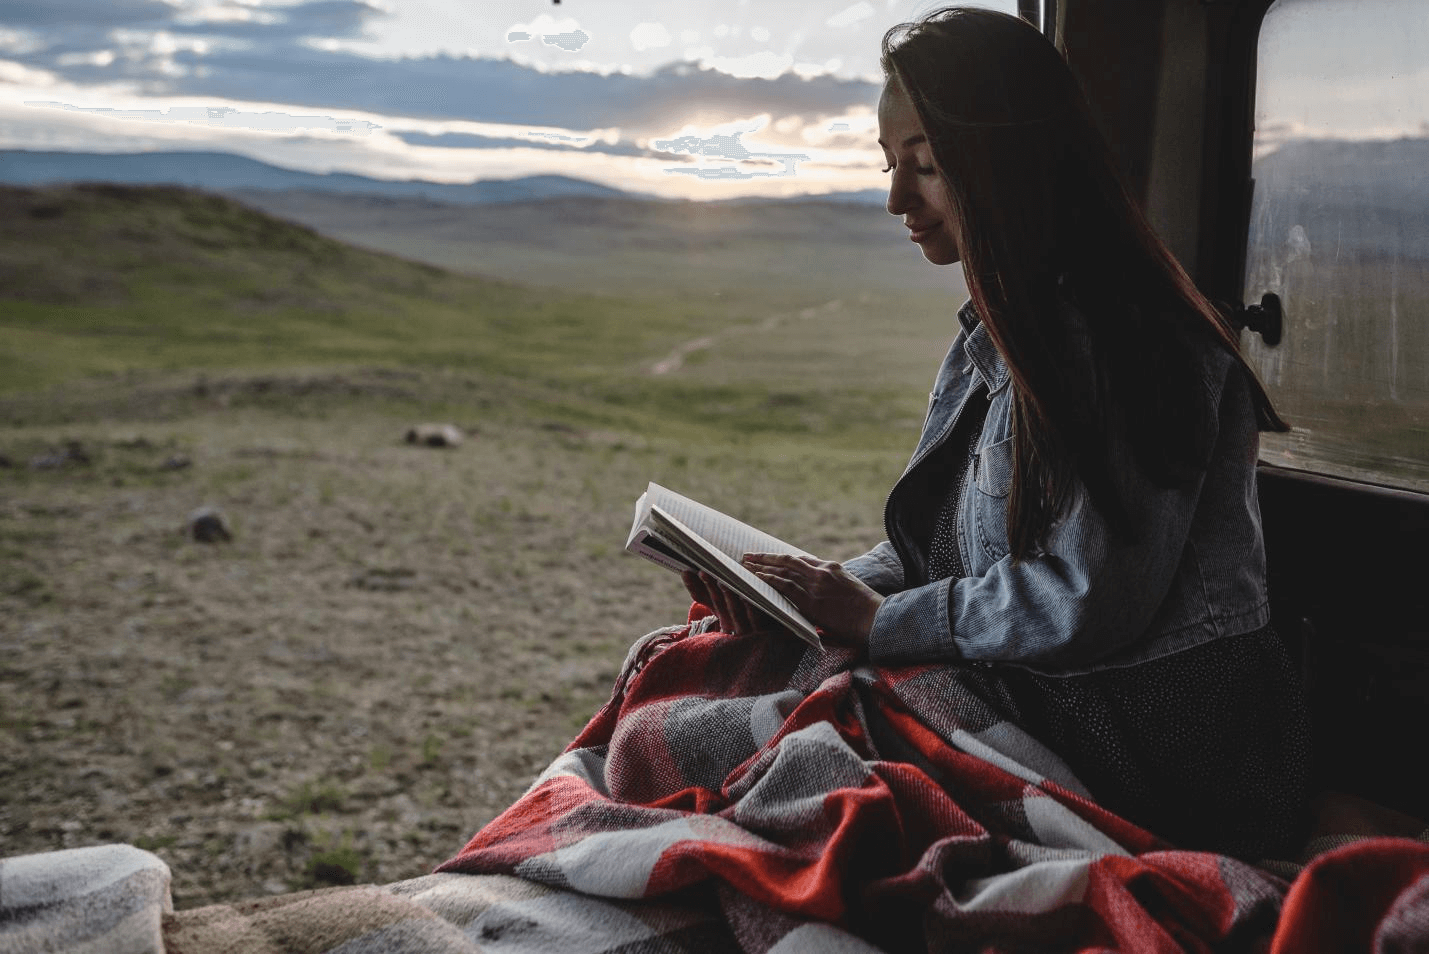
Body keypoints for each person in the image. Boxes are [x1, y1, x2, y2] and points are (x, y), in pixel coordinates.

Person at [684, 6, 1309, 861]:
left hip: (1152, 727)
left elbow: (1087, 601)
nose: (896, 197)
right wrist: (805, 593)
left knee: (790, 733)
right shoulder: (1001, 330)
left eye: (927, 167)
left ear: (1005, 164)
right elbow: (937, 546)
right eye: (889, 165)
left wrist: (875, 622)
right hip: (1059, 689)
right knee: (698, 663)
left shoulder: (1129, 343)